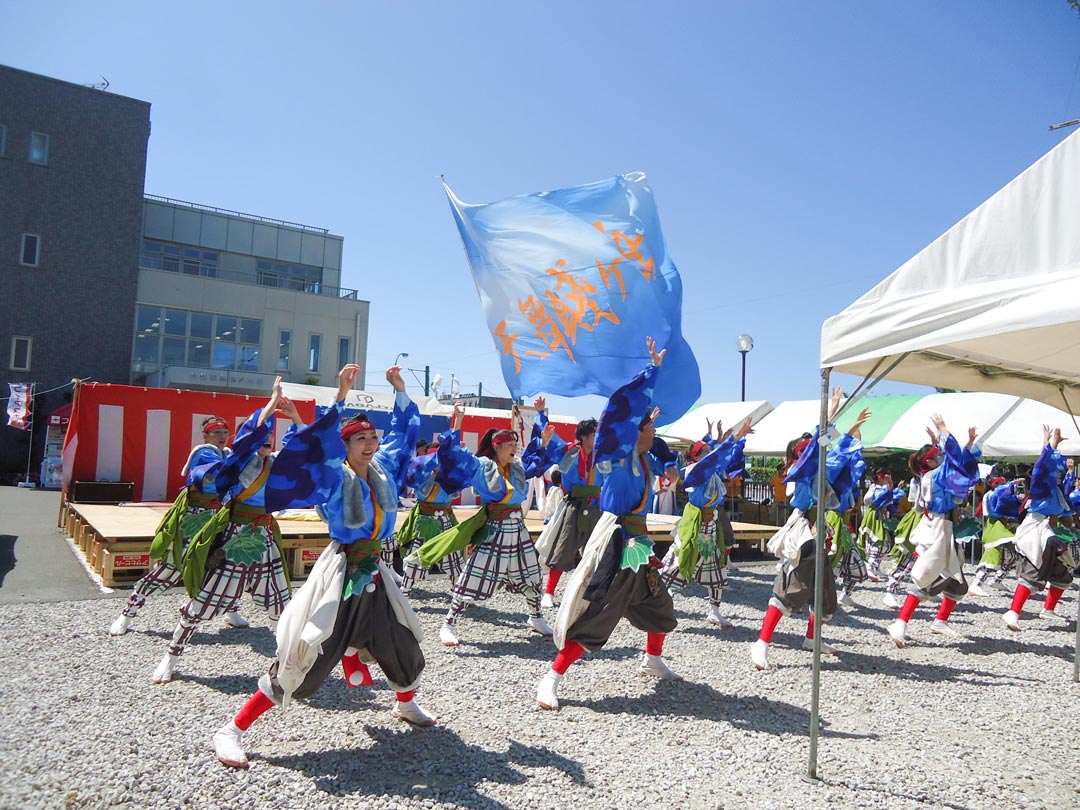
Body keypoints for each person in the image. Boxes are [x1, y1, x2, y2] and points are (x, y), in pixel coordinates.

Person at [211, 364, 434, 769]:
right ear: (346, 447)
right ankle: (233, 728)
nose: (369, 444)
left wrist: (400, 390)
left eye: (371, 438)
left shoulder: (382, 471)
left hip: (375, 571)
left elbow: (404, 436)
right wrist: (340, 396)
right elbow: (320, 448)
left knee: (400, 638)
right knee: (307, 652)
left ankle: (406, 703)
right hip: (341, 573)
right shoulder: (335, 478)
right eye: (359, 439)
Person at [537, 337, 683, 711]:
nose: (654, 434)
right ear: (633, 436)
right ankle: (551, 677)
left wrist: (648, 414)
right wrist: (651, 372)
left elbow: (648, 436)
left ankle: (652, 660)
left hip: (640, 542)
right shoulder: (619, 461)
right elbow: (616, 419)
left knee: (657, 604)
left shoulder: (646, 461)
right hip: (618, 543)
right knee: (597, 612)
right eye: (649, 430)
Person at [152, 378, 304, 684]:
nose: (267, 440)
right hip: (236, 536)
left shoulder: (275, 462)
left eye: (270, 437)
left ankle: (290, 666)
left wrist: (296, 418)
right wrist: (272, 402)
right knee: (204, 601)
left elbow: (303, 448)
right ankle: (170, 656)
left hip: (265, 538)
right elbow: (250, 434)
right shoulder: (235, 462)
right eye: (262, 436)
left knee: (283, 605)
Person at [751, 390, 870, 670]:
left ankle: (812, 638)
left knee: (823, 590)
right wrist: (829, 415)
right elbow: (819, 452)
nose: (812, 449)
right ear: (796, 454)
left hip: (819, 530)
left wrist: (850, 433)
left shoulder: (816, 466)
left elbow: (837, 457)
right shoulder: (799, 470)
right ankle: (762, 642)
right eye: (805, 448)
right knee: (789, 588)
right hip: (804, 532)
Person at [109, 416, 249, 636]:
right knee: (173, 565)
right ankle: (127, 613)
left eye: (225, 432)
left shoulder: (229, 454)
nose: (222, 437)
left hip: (218, 517)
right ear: (206, 435)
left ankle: (231, 610)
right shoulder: (202, 452)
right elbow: (220, 471)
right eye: (216, 433)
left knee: (225, 564)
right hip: (195, 518)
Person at [429, 402, 555, 646]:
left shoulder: (516, 467)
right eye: (509, 445)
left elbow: (534, 464)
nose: (514, 449)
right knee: (473, 575)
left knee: (531, 573)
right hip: (494, 530)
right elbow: (454, 453)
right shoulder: (482, 466)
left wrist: (545, 442)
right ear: (496, 447)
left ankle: (536, 617)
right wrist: (458, 422)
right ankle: (449, 623)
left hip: (517, 530)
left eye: (515, 445)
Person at [887, 414, 981, 648]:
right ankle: (900, 623)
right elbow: (954, 463)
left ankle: (940, 621)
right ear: (928, 462)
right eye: (936, 456)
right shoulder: (936, 475)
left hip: (940, 526)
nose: (941, 457)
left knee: (957, 583)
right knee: (927, 575)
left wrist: (964, 444)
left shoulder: (929, 475)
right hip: (939, 528)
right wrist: (943, 430)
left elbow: (953, 462)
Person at [661, 417, 753, 627]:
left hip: (709, 527)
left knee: (715, 566)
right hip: (695, 526)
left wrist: (739, 442)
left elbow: (726, 457)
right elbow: (716, 456)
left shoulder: (711, 472)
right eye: (705, 452)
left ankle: (714, 610)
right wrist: (735, 436)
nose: (709, 454)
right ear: (695, 458)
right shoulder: (696, 471)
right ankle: (664, 605)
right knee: (681, 562)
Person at [529, 402, 603, 609]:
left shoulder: (602, 457)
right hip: (573, 506)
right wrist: (541, 413)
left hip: (596, 507)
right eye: (593, 434)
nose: (597, 438)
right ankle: (549, 592)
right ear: (583, 436)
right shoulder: (569, 452)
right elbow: (549, 438)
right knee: (563, 550)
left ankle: (594, 593)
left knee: (598, 551)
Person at [1003, 427, 1076, 630]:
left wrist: (1052, 443)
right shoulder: (1041, 489)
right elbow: (1042, 467)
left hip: (1047, 529)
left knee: (1063, 575)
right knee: (1033, 571)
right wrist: (1050, 444)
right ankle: (1013, 612)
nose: (1058, 474)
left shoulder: (1053, 489)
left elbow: (1048, 468)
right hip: (1036, 529)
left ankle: (1048, 610)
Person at [397, 433, 465, 598]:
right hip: (425, 521)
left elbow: (456, 492)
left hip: (445, 520)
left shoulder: (448, 477)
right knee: (417, 554)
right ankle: (405, 590)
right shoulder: (420, 475)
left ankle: (458, 590)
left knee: (453, 556)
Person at [968, 477, 1023, 596]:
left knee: (1015, 555)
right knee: (991, 557)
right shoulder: (991, 495)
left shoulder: (997, 494)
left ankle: (997, 580)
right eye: (1002, 484)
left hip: (1002, 528)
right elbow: (994, 511)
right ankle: (976, 584)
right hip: (994, 527)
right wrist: (1011, 484)